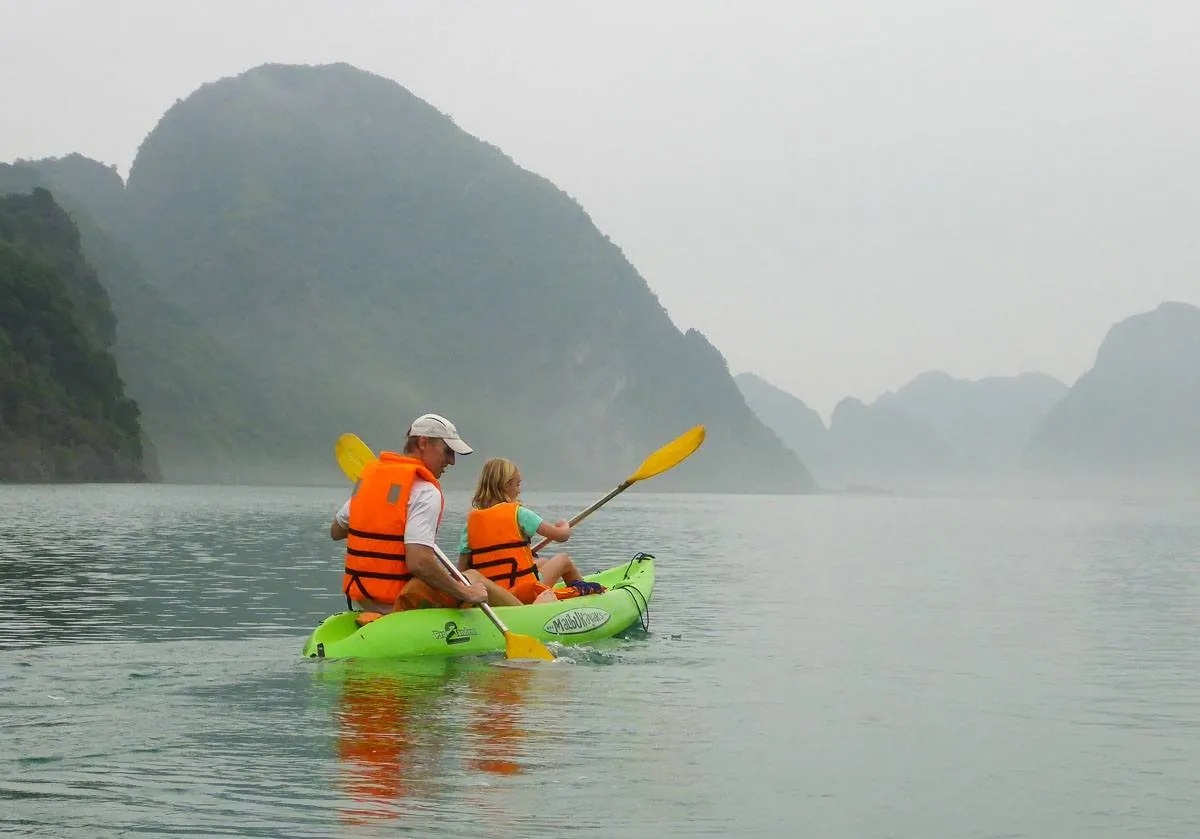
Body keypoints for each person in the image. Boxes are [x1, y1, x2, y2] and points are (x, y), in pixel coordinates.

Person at [329, 413, 510, 614]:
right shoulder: (425, 491)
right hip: (400, 604)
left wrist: (377, 517)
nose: (452, 461)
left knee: (462, 579)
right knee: (473, 578)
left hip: (361, 600)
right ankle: (530, 615)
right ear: (423, 442)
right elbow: (419, 562)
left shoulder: (371, 482)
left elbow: (336, 531)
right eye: (448, 451)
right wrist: (467, 593)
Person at [458, 457, 602, 605]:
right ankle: (586, 601)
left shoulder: (470, 524)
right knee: (563, 560)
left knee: (542, 562)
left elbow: (462, 569)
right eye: (517, 484)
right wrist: (564, 525)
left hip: (492, 595)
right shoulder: (519, 513)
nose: (519, 490)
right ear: (507, 485)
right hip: (522, 592)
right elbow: (561, 536)